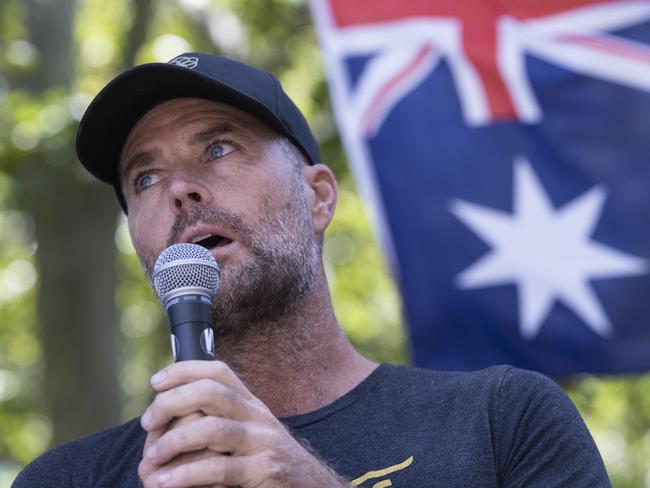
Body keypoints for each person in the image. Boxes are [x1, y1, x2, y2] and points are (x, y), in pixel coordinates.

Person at [13, 52, 611, 488]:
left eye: (219, 149)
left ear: (318, 197)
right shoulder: (68, 479)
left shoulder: (502, 421)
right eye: (144, 178)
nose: (180, 191)